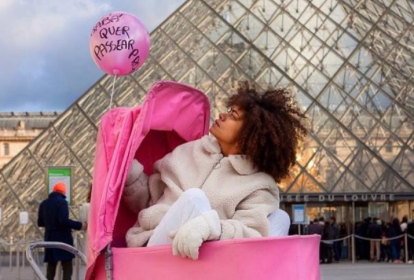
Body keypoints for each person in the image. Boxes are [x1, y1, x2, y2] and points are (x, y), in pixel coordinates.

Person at [123, 81, 308, 260]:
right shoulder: (190, 150)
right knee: (194, 198)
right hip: (155, 244)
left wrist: (212, 227)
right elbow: (150, 199)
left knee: (280, 218)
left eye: (233, 116)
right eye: (228, 111)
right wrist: (129, 174)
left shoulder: (259, 184)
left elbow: (251, 234)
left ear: (250, 134)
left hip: (203, 257)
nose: (222, 115)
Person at [37, 182, 87, 280]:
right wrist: (80, 225)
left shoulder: (44, 203)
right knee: (67, 266)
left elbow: (40, 222)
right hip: (63, 238)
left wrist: (51, 223)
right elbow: (63, 220)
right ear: (63, 191)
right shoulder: (62, 202)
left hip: (49, 238)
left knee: (51, 267)